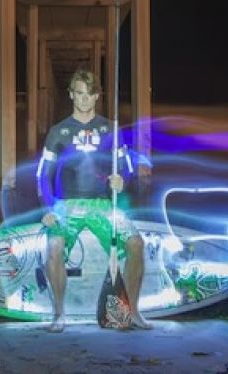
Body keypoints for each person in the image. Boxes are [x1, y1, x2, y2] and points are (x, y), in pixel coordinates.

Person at [36, 68, 152, 332]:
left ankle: (133, 311)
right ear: (71, 95)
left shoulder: (110, 129)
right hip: (67, 205)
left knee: (136, 243)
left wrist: (122, 181)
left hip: (103, 205)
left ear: (97, 96)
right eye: (79, 93)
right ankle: (58, 314)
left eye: (89, 94)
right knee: (54, 245)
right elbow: (43, 175)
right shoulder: (58, 132)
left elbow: (126, 168)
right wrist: (48, 208)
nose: (84, 99)